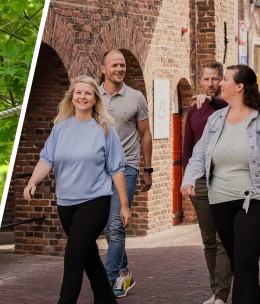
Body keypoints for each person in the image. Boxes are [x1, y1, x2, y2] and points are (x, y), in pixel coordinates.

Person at [181, 65, 260, 304]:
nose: (220, 83)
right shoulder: (216, 119)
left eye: (225, 79)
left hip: (259, 198)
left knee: (245, 259)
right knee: (241, 264)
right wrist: (188, 179)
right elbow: (198, 154)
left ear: (239, 87)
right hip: (220, 199)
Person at [23, 75, 131, 304]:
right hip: (66, 203)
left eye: (88, 93)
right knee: (89, 256)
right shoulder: (60, 127)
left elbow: (117, 169)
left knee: (73, 256)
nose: (82, 97)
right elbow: (47, 159)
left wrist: (123, 205)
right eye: (78, 92)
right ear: (71, 97)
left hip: (95, 201)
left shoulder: (104, 129)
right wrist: (32, 181)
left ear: (94, 99)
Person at [98, 49, 153, 298]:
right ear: (103, 69)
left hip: (126, 168)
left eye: (122, 65)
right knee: (108, 227)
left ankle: (107, 282)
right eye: (115, 65)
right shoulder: (93, 96)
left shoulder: (136, 97)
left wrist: (147, 169)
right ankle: (124, 273)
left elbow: (145, 134)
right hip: (96, 171)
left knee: (116, 225)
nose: (119, 69)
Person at [183, 62, 232, 304]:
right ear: (200, 81)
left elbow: (222, 105)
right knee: (209, 240)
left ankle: (222, 295)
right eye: (206, 79)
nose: (210, 84)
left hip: (224, 181)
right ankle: (216, 291)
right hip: (201, 182)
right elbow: (188, 147)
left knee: (224, 239)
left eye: (215, 79)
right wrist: (187, 179)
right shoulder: (194, 110)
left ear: (222, 81)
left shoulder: (228, 105)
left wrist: (210, 100)